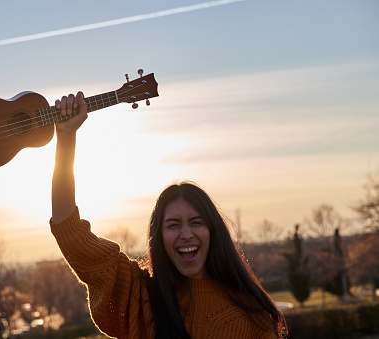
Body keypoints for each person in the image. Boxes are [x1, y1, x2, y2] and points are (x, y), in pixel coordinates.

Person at [49, 92, 287, 338]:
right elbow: (73, 236)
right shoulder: (141, 297)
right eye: (173, 225)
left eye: (196, 222)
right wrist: (66, 137)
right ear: (159, 237)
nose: (186, 234)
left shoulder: (253, 318)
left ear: (213, 231)